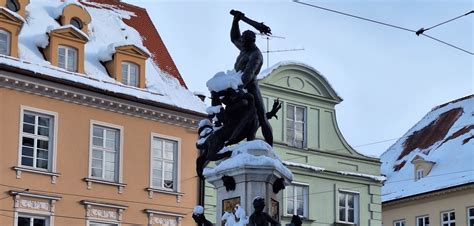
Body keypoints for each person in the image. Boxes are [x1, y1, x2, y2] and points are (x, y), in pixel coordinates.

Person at [230, 10, 274, 146]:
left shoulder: (255, 55)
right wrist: (236, 21)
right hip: (238, 83)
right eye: (241, 42)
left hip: (250, 86)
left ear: (251, 42)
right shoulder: (245, 47)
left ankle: (270, 147)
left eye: (244, 42)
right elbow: (234, 38)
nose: (241, 44)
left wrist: (236, 88)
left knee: (262, 117)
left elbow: (248, 75)